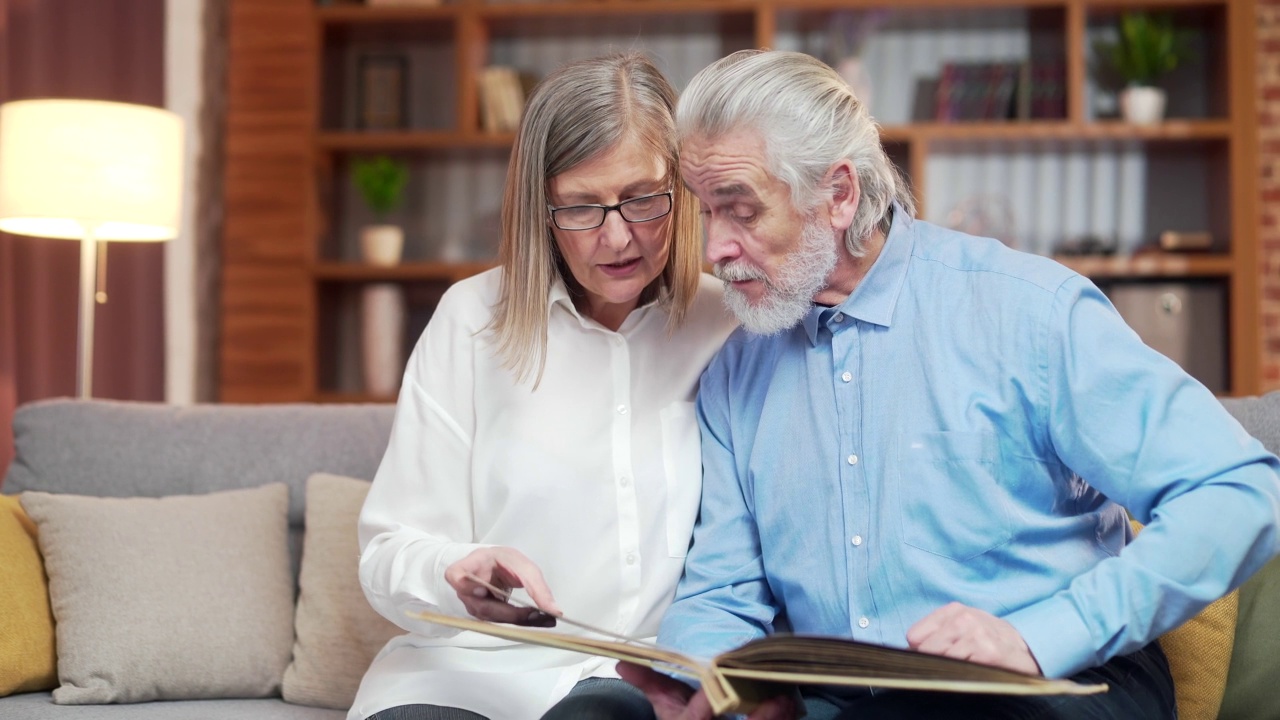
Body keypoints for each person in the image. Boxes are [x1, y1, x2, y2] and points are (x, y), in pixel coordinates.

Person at [619, 49, 1280, 720]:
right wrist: (718, 683)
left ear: (839, 195)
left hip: (1057, 685)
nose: (714, 251)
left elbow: (1238, 491)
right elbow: (724, 590)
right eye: (706, 213)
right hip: (839, 701)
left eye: (741, 211)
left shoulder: (1029, 312)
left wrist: (1036, 638)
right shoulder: (737, 368)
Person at [348, 53, 737, 720]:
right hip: (462, 675)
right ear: (541, 209)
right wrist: (458, 570)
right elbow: (387, 554)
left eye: (644, 198)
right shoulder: (471, 321)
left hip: (630, 684)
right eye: (582, 208)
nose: (618, 237)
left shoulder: (726, 324)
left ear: (682, 186)